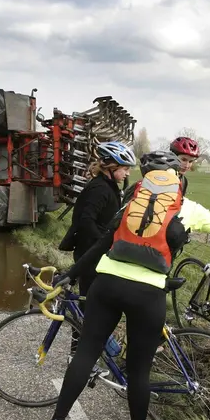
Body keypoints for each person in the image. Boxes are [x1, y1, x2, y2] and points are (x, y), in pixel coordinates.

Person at [44, 150, 210, 420]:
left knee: (86, 352)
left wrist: (71, 273)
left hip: (107, 283)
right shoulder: (189, 208)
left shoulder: (131, 203)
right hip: (148, 293)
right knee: (139, 367)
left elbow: (102, 244)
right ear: (178, 178)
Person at [58, 141, 136, 355]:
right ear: (111, 167)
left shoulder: (108, 186)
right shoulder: (99, 189)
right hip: (90, 255)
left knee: (94, 302)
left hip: (97, 254)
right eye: (125, 168)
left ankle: (89, 345)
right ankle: (78, 350)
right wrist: (103, 243)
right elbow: (86, 220)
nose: (127, 172)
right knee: (88, 303)